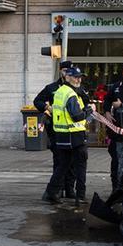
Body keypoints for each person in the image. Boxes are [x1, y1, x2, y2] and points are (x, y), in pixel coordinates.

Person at [45, 68, 91, 206]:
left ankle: (52, 192)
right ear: (67, 77)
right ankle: (81, 196)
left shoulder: (59, 92)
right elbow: (76, 116)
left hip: (61, 135)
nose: (78, 80)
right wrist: (88, 111)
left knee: (63, 165)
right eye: (76, 77)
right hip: (75, 135)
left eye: (80, 77)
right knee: (81, 165)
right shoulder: (71, 94)